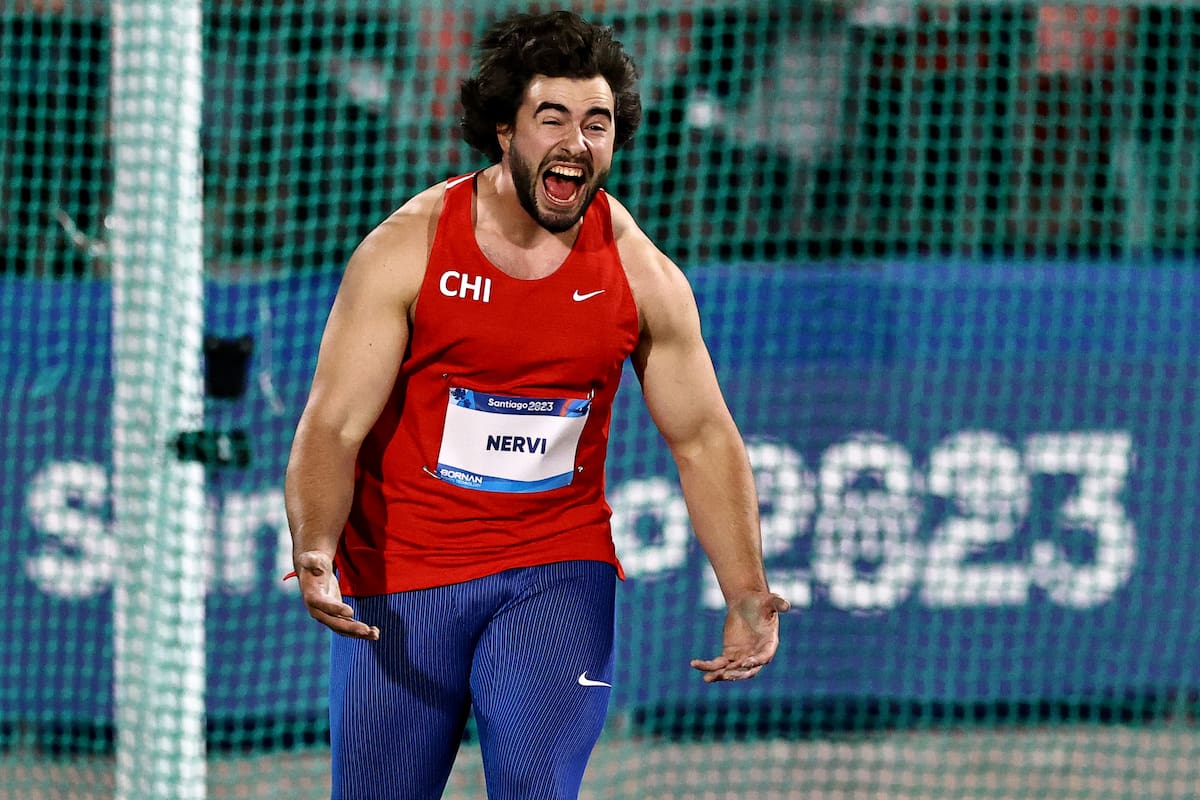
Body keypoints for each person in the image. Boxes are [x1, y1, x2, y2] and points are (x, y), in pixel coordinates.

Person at [284, 10, 790, 799]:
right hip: (401, 576)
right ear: (503, 131)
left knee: (533, 785)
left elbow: (702, 437)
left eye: (598, 123)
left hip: (554, 569)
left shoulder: (641, 273)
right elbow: (334, 424)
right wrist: (315, 546)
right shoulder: (407, 246)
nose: (577, 141)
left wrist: (747, 592)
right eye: (552, 118)